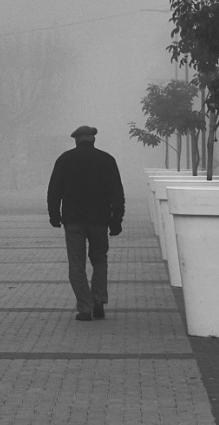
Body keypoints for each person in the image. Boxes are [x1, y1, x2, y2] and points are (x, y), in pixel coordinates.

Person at [46, 124, 124, 321]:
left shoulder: (65, 160)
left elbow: (54, 190)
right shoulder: (107, 160)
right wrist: (116, 220)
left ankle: (85, 307)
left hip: (73, 221)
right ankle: (99, 300)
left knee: (76, 265)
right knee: (100, 260)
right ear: (94, 139)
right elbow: (117, 192)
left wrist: (54, 215)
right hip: (100, 220)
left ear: (76, 140)